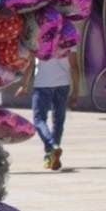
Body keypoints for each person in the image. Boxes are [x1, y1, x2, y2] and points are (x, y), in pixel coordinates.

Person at [30, 31, 75, 173]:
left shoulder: (41, 32)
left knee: (38, 119)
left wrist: (24, 84)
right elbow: (74, 66)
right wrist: (77, 89)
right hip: (63, 83)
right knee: (58, 121)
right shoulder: (70, 33)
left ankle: (52, 147)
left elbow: (30, 61)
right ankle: (51, 156)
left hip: (43, 82)